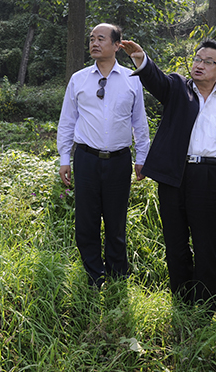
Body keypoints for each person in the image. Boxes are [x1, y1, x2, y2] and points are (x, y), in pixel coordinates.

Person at [120, 39, 216, 312]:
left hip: (210, 177)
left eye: (207, 62)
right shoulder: (178, 88)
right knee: (175, 242)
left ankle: (204, 308)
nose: (199, 65)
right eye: (197, 59)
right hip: (174, 176)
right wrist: (141, 58)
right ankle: (181, 302)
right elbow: (156, 81)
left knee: (206, 245)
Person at [57, 23, 150, 288]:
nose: (94, 43)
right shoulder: (78, 79)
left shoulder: (132, 79)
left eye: (101, 38)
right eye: (91, 39)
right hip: (86, 159)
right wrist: (65, 158)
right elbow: (67, 121)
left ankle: (118, 277)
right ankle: (93, 277)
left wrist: (141, 157)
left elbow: (139, 122)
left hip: (119, 160)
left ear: (117, 45)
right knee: (86, 222)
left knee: (116, 222)